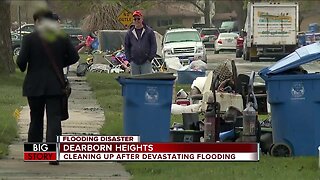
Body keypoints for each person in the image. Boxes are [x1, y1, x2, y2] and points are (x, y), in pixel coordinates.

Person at [16, 9, 79, 165]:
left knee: (36, 118)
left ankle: (35, 154)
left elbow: (21, 62)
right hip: (55, 85)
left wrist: (27, 64)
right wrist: (59, 64)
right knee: (54, 119)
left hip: (34, 85)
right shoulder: (61, 38)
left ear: (37, 22)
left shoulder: (29, 39)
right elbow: (74, 56)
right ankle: (53, 155)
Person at [124, 10, 157, 75]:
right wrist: (129, 59)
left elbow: (153, 45)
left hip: (146, 62)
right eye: (135, 19)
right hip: (134, 63)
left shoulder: (149, 32)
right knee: (135, 82)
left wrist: (150, 58)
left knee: (146, 81)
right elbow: (126, 46)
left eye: (138, 18)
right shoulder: (129, 33)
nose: (137, 21)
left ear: (142, 19)